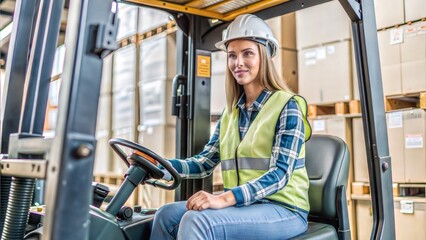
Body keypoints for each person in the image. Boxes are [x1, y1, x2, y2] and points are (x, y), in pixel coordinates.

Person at [150, 14, 312, 240]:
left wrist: (222, 199)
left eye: (248, 54)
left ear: (263, 56)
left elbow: (280, 175)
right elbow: (205, 162)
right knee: (166, 215)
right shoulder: (231, 113)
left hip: (284, 210)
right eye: (232, 55)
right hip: (244, 206)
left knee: (197, 221)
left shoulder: (288, 105)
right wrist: (160, 165)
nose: (238, 63)